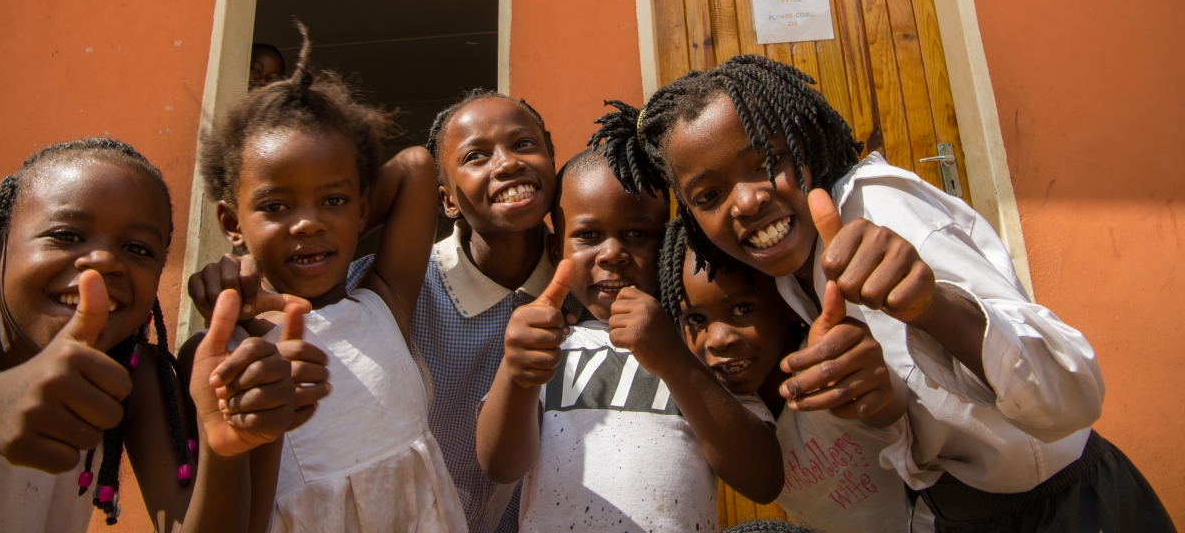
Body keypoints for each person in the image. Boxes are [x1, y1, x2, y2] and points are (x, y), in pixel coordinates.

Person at [590, 54, 1174, 532]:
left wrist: (935, 308)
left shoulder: (881, 210)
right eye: (709, 196)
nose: (745, 201)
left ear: (804, 142)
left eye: (765, 161)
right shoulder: (790, 274)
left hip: (1068, 506)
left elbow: (1072, 392)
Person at [188, 24, 467, 532]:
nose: (308, 222)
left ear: (364, 208)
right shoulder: (229, 352)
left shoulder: (382, 304)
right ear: (231, 222)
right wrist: (252, 257)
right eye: (276, 205)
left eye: (333, 200)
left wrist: (336, 214)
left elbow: (414, 167)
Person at [0, 138, 306, 532]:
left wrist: (226, 451)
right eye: (67, 235)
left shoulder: (134, 378)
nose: (104, 261)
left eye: (137, 248)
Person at [477, 148, 784, 532]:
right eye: (588, 236)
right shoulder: (549, 348)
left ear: (667, 245)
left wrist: (674, 362)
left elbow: (763, 481)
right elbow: (501, 466)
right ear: (556, 252)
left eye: (638, 234)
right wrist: (516, 372)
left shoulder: (700, 345)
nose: (612, 254)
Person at [349, 88, 571, 533]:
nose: (508, 163)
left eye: (525, 144)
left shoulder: (583, 290)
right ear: (448, 200)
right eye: (476, 156)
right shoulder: (402, 289)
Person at [662, 216, 909, 533]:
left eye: (742, 309)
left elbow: (891, 412)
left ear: (788, 303)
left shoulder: (826, 364)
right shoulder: (715, 410)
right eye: (695, 318)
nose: (718, 339)